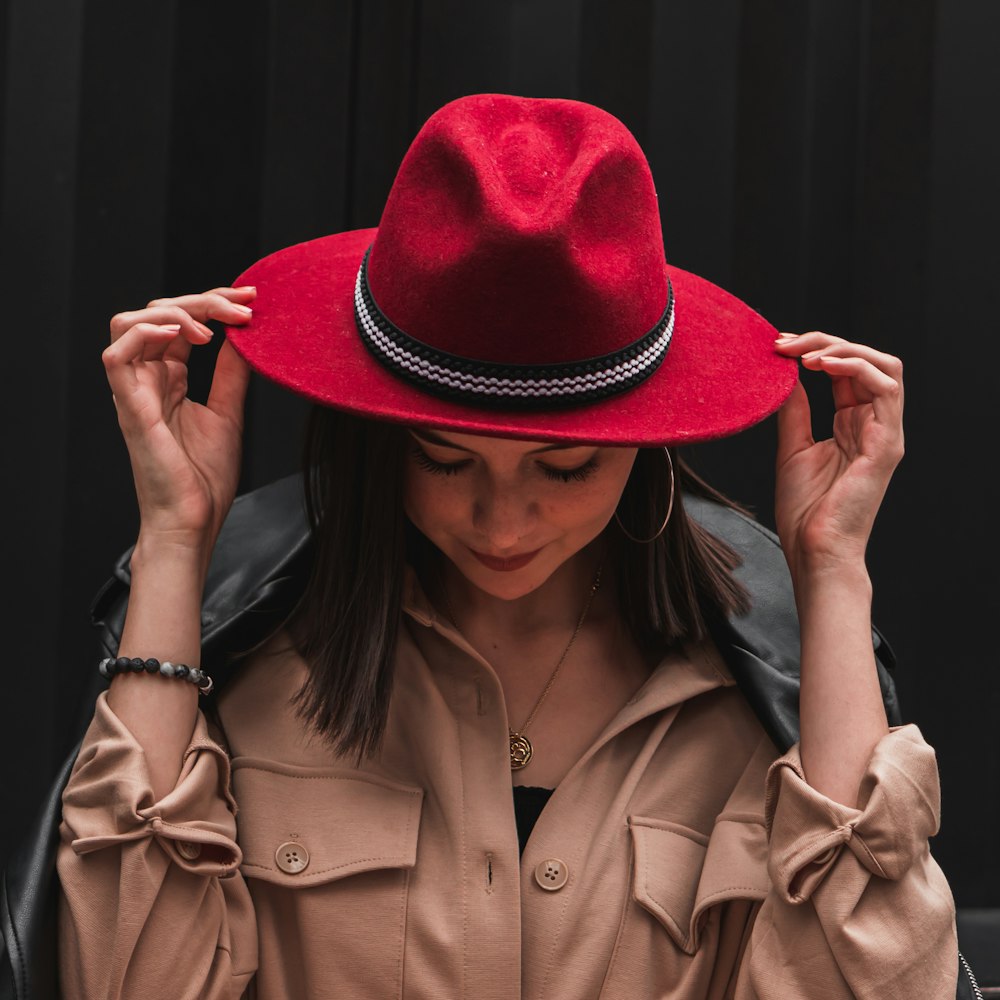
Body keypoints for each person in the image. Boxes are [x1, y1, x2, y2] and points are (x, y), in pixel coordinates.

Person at [55, 93, 958, 998]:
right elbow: (123, 978)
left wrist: (833, 572)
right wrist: (176, 538)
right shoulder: (257, 666)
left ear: (647, 452)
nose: (502, 525)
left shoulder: (752, 703)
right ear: (376, 444)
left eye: (563, 471)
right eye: (444, 462)